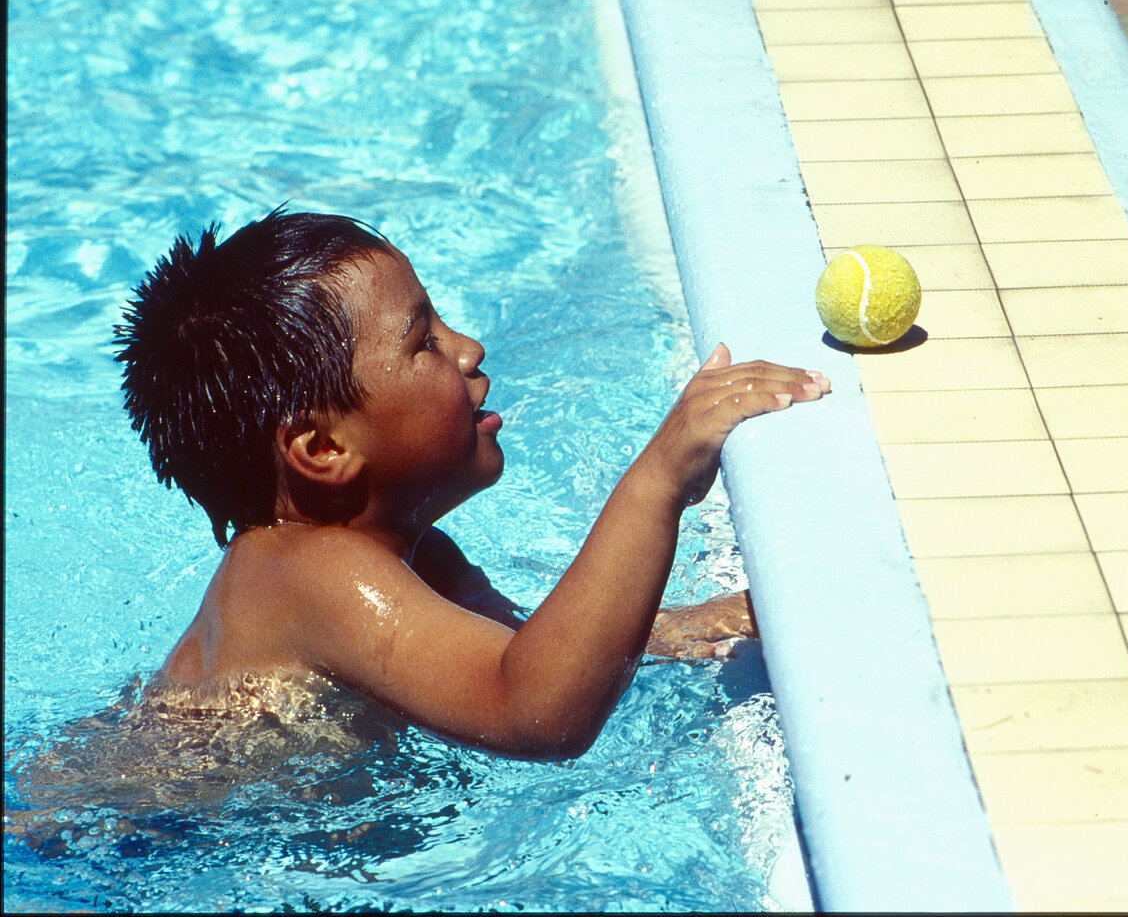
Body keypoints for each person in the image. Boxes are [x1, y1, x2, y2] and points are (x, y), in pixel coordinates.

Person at [110, 206, 829, 760]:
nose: (469, 349)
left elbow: (542, 649)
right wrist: (658, 480)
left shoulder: (425, 560)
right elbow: (536, 711)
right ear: (323, 448)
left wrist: (723, 620)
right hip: (118, 834)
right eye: (424, 341)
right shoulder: (305, 573)